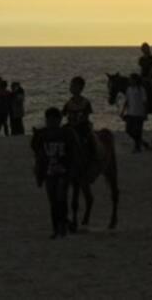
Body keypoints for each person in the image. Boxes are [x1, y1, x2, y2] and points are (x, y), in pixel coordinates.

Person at [32, 108, 73, 239]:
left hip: (63, 172)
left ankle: (62, 227)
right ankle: (56, 228)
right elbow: (38, 153)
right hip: (49, 173)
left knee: (61, 198)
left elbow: (72, 153)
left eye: (53, 120)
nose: (50, 123)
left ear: (59, 120)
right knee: (53, 202)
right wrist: (39, 174)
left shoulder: (65, 134)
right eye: (48, 120)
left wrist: (70, 170)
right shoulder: (43, 135)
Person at [62, 76, 95, 157]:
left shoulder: (85, 102)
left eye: (74, 86)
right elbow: (63, 113)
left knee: (87, 138)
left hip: (82, 125)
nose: (71, 88)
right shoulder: (69, 102)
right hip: (70, 125)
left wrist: (77, 123)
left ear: (80, 88)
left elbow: (86, 116)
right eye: (71, 86)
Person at [121, 74, 149, 152]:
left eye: (131, 79)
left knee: (138, 131)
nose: (130, 80)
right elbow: (127, 101)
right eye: (130, 79)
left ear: (135, 80)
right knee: (128, 130)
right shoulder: (129, 89)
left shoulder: (141, 89)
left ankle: (137, 147)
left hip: (139, 113)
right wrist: (122, 111)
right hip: (130, 113)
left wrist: (145, 113)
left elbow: (145, 102)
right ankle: (142, 143)